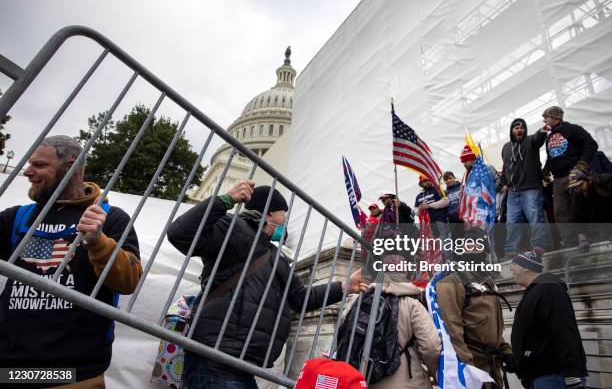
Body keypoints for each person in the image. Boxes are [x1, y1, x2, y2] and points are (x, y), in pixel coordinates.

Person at [166, 180, 366, 388]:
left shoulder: (275, 256)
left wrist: (345, 287)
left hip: (244, 363)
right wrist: (226, 200)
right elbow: (179, 233)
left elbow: (300, 298)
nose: (285, 222)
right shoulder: (232, 227)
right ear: (270, 213)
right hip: (215, 356)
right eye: (283, 214)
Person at [0, 135, 142, 388]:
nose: (28, 172)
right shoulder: (18, 217)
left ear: (70, 167)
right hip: (9, 370)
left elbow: (129, 281)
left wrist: (98, 242)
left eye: (40, 165)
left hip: (74, 375)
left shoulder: (110, 218)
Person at [436, 231, 514, 388]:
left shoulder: (487, 282)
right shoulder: (451, 282)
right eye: (468, 245)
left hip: (493, 367)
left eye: (477, 245)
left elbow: (492, 325)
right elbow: (452, 331)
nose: (472, 249)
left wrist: (505, 351)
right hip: (473, 370)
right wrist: (469, 369)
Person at [340, 268, 441, 389]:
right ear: (405, 274)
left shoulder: (356, 302)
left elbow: (342, 337)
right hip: (408, 381)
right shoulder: (411, 303)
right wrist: (434, 374)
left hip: (362, 380)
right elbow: (431, 346)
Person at [510, 251, 587, 388]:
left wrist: (571, 374)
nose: (511, 269)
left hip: (554, 376)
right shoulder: (536, 290)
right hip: (542, 375)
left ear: (526, 267)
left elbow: (564, 331)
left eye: (514, 265)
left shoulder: (549, 288)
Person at [542, 106, 598, 247]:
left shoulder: (573, 129)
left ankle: (589, 239)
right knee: (560, 212)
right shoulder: (549, 137)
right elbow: (553, 156)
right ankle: (570, 244)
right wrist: (546, 169)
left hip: (574, 174)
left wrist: (582, 165)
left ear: (556, 117)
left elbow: (591, 145)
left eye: (546, 116)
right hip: (558, 179)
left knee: (579, 208)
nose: (544, 120)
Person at [498, 118, 550, 257]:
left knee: (535, 217)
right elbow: (505, 168)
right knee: (512, 222)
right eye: (516, 127)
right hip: (513, 192)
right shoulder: (506, 147)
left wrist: (542, 132)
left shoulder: (530, 141)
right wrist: (503, 183)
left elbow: (538, 139)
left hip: (531, 188)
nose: (519, 129)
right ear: (512, 130)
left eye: (522, 127)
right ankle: (511, 250)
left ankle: (539, 245)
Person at [568, 169, 612, 248]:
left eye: (580, 185)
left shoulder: (606, 182)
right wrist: (582, 238)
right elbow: (576, 217)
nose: (578, 189)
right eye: (575, 187)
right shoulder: (578, 194)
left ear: (588, 180)